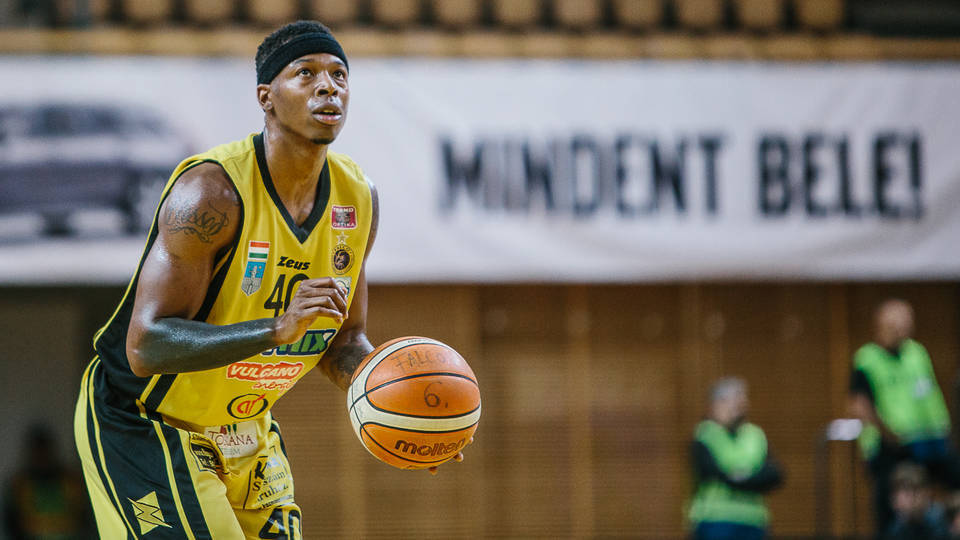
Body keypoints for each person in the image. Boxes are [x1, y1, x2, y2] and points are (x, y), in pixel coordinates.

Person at [73, 20, 463, 538]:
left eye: (339, 75)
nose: (328, 87)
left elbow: (344, 339)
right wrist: (275, 329)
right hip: (145, 421)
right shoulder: (211, 194)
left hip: (245, 429)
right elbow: (146, 345)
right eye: (306, 74)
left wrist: (407, 407)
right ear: (267, 98)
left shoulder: (358, 198)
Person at [849, 299, 960, 535]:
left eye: (906, 324)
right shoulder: (867, 359)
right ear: (881, 325)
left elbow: (928, 392)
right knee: (890, 507)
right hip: (890, 445)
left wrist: (942, 429)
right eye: (896, 325)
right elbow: (859, 404)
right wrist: (888, 434)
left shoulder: (916, 352)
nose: (902, 330)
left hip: (929, 440)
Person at [687, 377, 783, 540]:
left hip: (753, 521)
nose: (738, 406)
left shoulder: (755, 435)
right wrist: (749, 477)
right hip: (715, 522)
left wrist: (738, 477)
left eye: (741, 400)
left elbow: (775, 474)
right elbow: (711, 471)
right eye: (732, 400)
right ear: (715, 404)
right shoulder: (705, 434)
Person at [3, 424, 93, 540]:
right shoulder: (19, 486)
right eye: (38, 452)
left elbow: (85, 520)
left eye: (45, 452)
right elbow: (11, 525)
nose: (42, 458)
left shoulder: (72, 482)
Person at [883, 462, 949, 540]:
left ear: (926, 493)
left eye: (914, 490)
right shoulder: (895, 528)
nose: (910, 499)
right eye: (904, 491)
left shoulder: (942, 521)